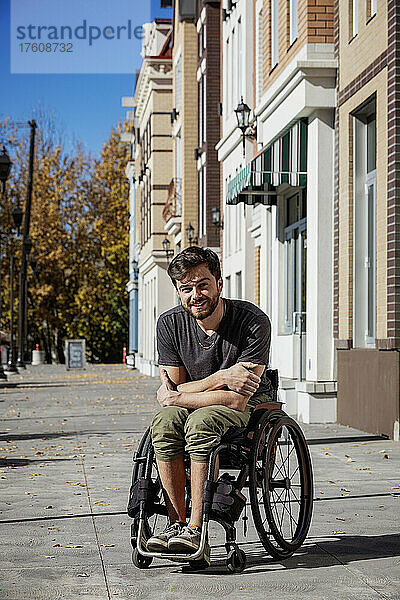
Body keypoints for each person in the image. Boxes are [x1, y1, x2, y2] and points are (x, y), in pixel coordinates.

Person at [147, 246, 272, 564]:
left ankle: (195, 528)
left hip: (248, 405)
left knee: (200, 422)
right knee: (163, 423)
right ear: (178, 291)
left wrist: (181, 395)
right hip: (197, 402)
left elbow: (237, 397)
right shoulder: (170, 325)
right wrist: (224, 377)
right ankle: (176, 526)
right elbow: (174, 390)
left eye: (202, 284)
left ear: (219, 283)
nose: (195, 294)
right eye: (185, 288)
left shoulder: (252, 322)